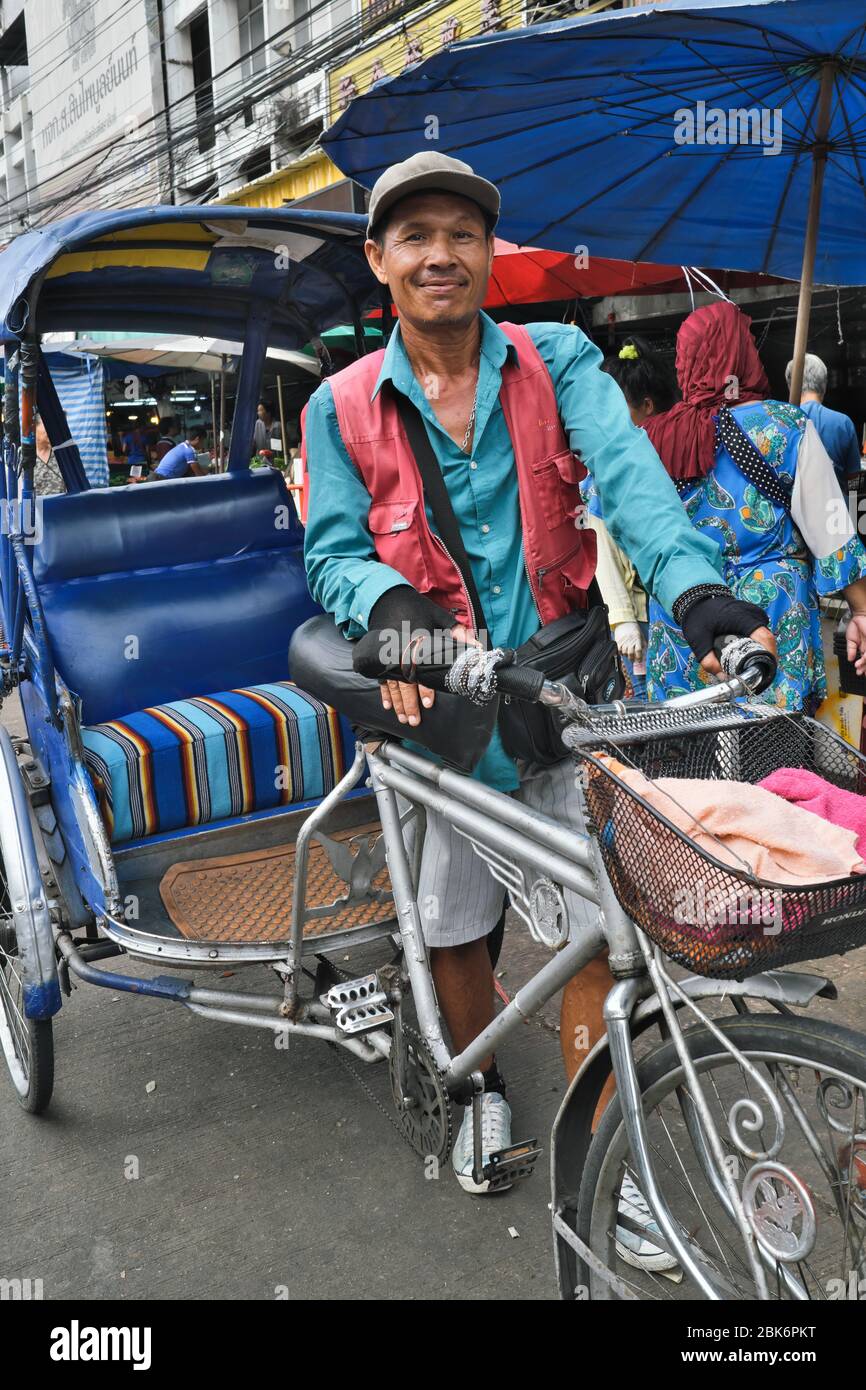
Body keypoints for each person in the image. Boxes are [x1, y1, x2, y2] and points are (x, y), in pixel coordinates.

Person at [302, 152, 776, 1211]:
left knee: (598, 931)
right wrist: (392, 614)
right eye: (415, 236)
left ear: (485, 254)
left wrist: (697, 594)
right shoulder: (337, 408)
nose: (440, 254)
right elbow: (333, 554)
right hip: (440, 718)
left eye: (461, 234)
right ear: (378, 260)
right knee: (451, 928)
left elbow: (634, 484)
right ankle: (476, 1086)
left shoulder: (554, 357)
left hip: (568, 701)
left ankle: (614, 1178)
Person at [644, 303, 866, 711]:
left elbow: (625, 525)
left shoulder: (655, 438)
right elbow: (831, 530)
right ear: (744, 355)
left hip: (686, 620)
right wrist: (862, 612)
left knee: (693, 762)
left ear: (685, 361)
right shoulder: (787, 425)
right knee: (773, 750)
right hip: (773, 615)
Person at [589, 337, 679, 697]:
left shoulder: (660, 452)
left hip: (669, 606)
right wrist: (623, 617)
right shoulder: (608, 466)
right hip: (635, 614)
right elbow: (601, 546)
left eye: (617, 408)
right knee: (645, 705)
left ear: (648, 406)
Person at [786, 353, 862, 484]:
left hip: (794, 504)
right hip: (837, 503)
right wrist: (854, 504)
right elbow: (854, 478)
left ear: (790, 385)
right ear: (824, 385)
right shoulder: (843, 423)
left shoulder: (780, 422)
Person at [135, 428, 207, 482]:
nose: (203, 444)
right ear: (198, 439)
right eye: (203, 441)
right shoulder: (189, 450)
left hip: (157, 477)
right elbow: (198, 473)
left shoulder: (183, 445)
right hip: (160, 479)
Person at [33, 412, 66, 496]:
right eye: (47, 426)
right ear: (35, 427)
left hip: (62, 505)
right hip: (36, 508)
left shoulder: (63, 454)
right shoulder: (25, 457)